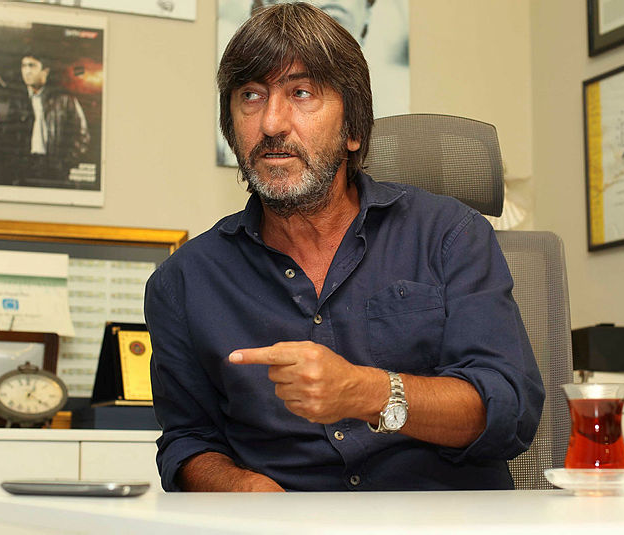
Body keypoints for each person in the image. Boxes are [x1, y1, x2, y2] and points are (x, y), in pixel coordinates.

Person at [145, 2, 544, 492]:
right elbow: (187, 441)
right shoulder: (184, 282)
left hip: (440, 519)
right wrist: (240, 488)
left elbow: (509, 408)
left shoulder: (449, 235)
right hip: (286, 524)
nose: (271, 122)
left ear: (353, 130)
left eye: (301, 93)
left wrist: (368, 392)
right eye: (251, 96)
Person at [12, 51, 91, 186]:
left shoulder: (64, 99)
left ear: (45, 72)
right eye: (24, 66)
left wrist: (64, 163)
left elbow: (82, 136)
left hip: (55, 168)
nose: (27, 71)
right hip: (26, 167)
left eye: (32, 66)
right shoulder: (18, 100)